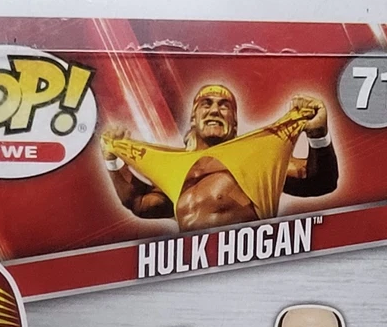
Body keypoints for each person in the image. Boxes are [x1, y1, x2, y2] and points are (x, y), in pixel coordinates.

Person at [101, 84, 338, 230]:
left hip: (243, 271)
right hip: (194, 274)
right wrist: (113, 161)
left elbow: (321, 182)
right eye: (206, 104)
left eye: (224, 106)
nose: (214, 110)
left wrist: (318, 135)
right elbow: (140, 203)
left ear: (234, 123)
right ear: (193, 119)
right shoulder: (175, 172)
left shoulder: (255, 160)